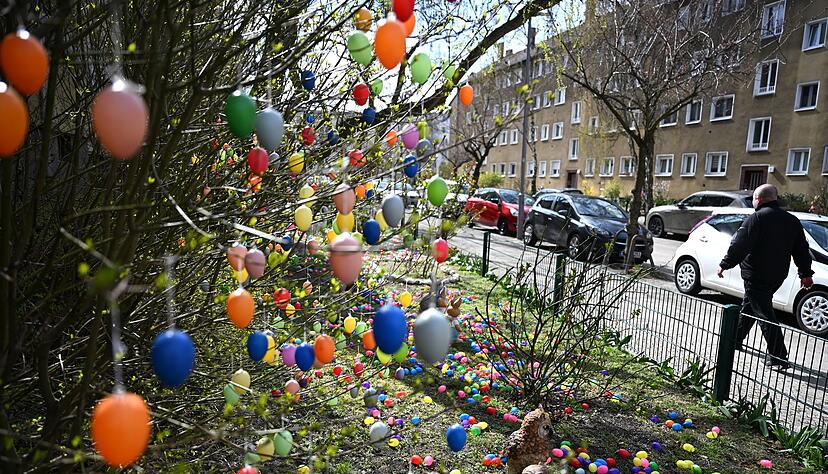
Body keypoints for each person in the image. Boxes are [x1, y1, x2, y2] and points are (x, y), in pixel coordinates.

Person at [717, 184, 813, 370]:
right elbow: (802, 250)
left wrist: (725, 264)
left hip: (755, 275)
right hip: (777, 276)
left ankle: (778, 356)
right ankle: (734, 340)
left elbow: (739, 244)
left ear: (758, 200)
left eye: (753, 199)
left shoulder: (757, 218)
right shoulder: (792, 220)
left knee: (764, 314)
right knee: (750, 307)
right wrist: (805, 273)